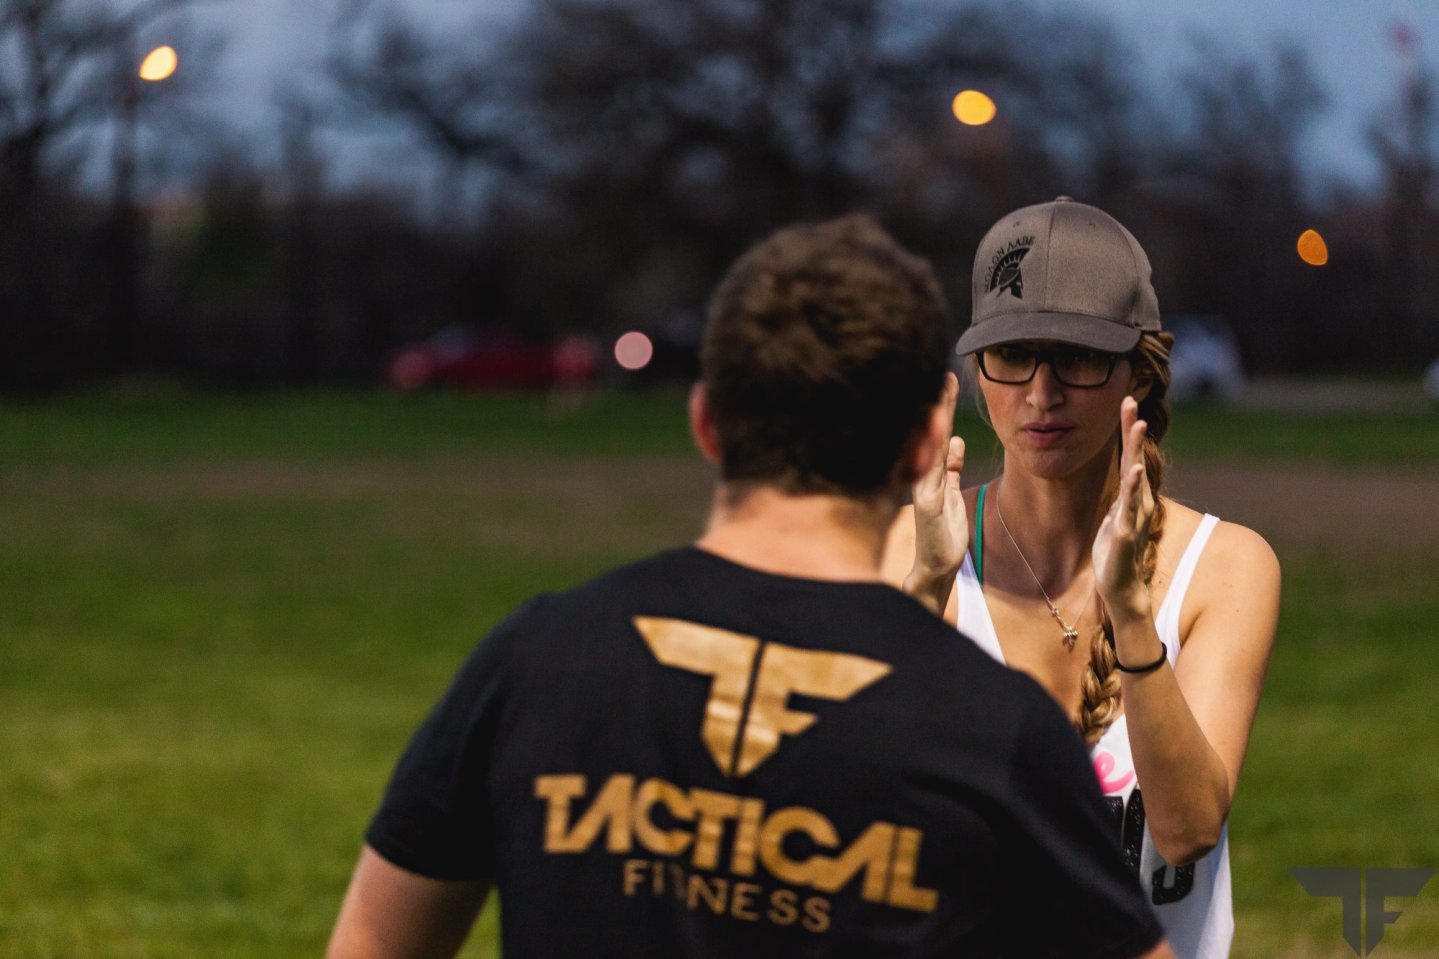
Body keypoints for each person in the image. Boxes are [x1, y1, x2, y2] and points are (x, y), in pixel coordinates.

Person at [326, 214, 1175, 959]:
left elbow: (368, 942)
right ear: (927, 441)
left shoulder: (535, 661)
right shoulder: (996, 731)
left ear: (704, 422)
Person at [885, 198, 1281, 959]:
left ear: (1140, 369)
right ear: (974, 369)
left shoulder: (1224, 566)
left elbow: (1186, 827)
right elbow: (844, 809)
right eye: (1012, 354)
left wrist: (1131, 618)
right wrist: (925, 590)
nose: (1040, 392)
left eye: (1076, 356)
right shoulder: (911, 549)